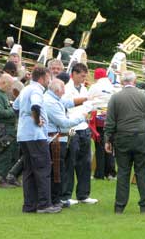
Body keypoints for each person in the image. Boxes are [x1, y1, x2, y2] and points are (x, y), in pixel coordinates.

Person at [105, 71, 145, 214]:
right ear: (134, 81)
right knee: (141, 172)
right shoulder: (144, 96)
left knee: (123, 172)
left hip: (122, 138)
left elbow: (109, 122)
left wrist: (107, 140)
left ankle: (119, 207)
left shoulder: (115, 98)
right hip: (141, 138)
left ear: (122, 82)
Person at [13, 67, 61, 214]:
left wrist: (24, 121)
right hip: (36, 135)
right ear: (42, 78)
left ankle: (29, 205)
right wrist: (36, 120)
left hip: (23, 135)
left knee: (29, 170)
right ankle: (44, 204)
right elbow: (35, 105)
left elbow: (15, 107)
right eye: (48, 78)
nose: (49, 81)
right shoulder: (37, 90)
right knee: (43, 169)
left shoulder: (25, 89)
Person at [44, 78, 87, 207]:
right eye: (63, 89)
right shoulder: (51, 102)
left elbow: (67, 102)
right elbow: (64, 123)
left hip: (59, 138)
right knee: (56, 171)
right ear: (57, 90)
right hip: (55, 140)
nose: (65, 91)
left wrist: (86, 99)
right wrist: (82, 117)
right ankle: (55, 200)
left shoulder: (54, 98)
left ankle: (57, 198)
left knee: (59, 169)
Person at [62, 63, 98, 205]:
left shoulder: (84, 88)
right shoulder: (66, 88)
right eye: (82, 75)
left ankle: (83, 194)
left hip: (83, 126)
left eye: (85, 76)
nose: (84, 79)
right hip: (71, 128)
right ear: (74, 74)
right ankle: (66, 195)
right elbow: (66, 106)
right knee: (70, 161)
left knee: (85, 162)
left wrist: (88, 109)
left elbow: (88, 104)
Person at [88, 68, 116, 180]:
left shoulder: (95, 87)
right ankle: (111, 173)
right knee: (109, 144)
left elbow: (88, 99)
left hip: (99, 118)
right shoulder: (112, 87)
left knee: (99, 146)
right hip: (110, 118)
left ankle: (99, 173)